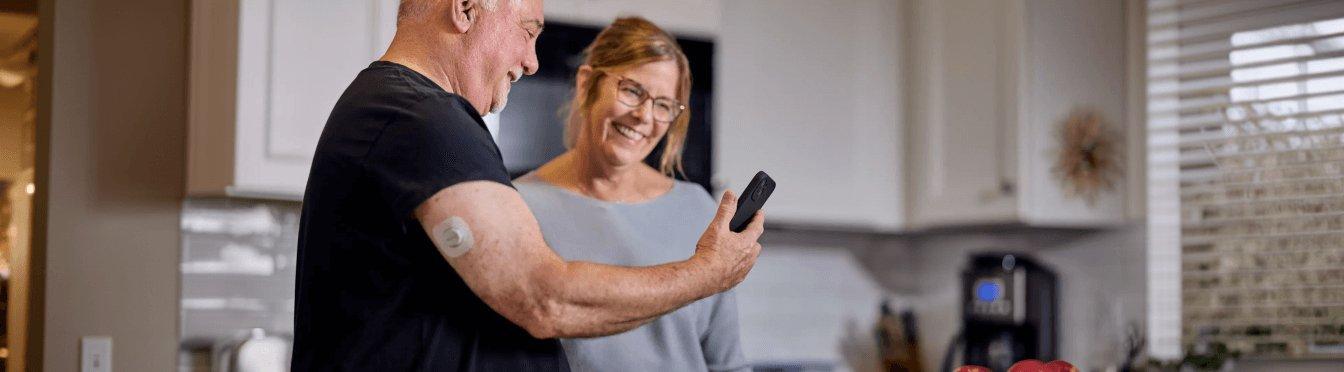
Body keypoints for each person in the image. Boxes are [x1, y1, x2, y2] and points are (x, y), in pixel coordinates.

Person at [291, 0, 766, 370]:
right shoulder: (420, 118)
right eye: (528, 30)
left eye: (665, 105)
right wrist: (708, 274)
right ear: (465, 8)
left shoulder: (411, 112)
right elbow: (546, 298)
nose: (533, 61)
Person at [515, 17, 749, 372]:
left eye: (663, 105)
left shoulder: (698, 208)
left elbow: (727, 364)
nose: (643, 116)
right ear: (586, 84)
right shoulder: (517, 205)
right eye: (632, 91)